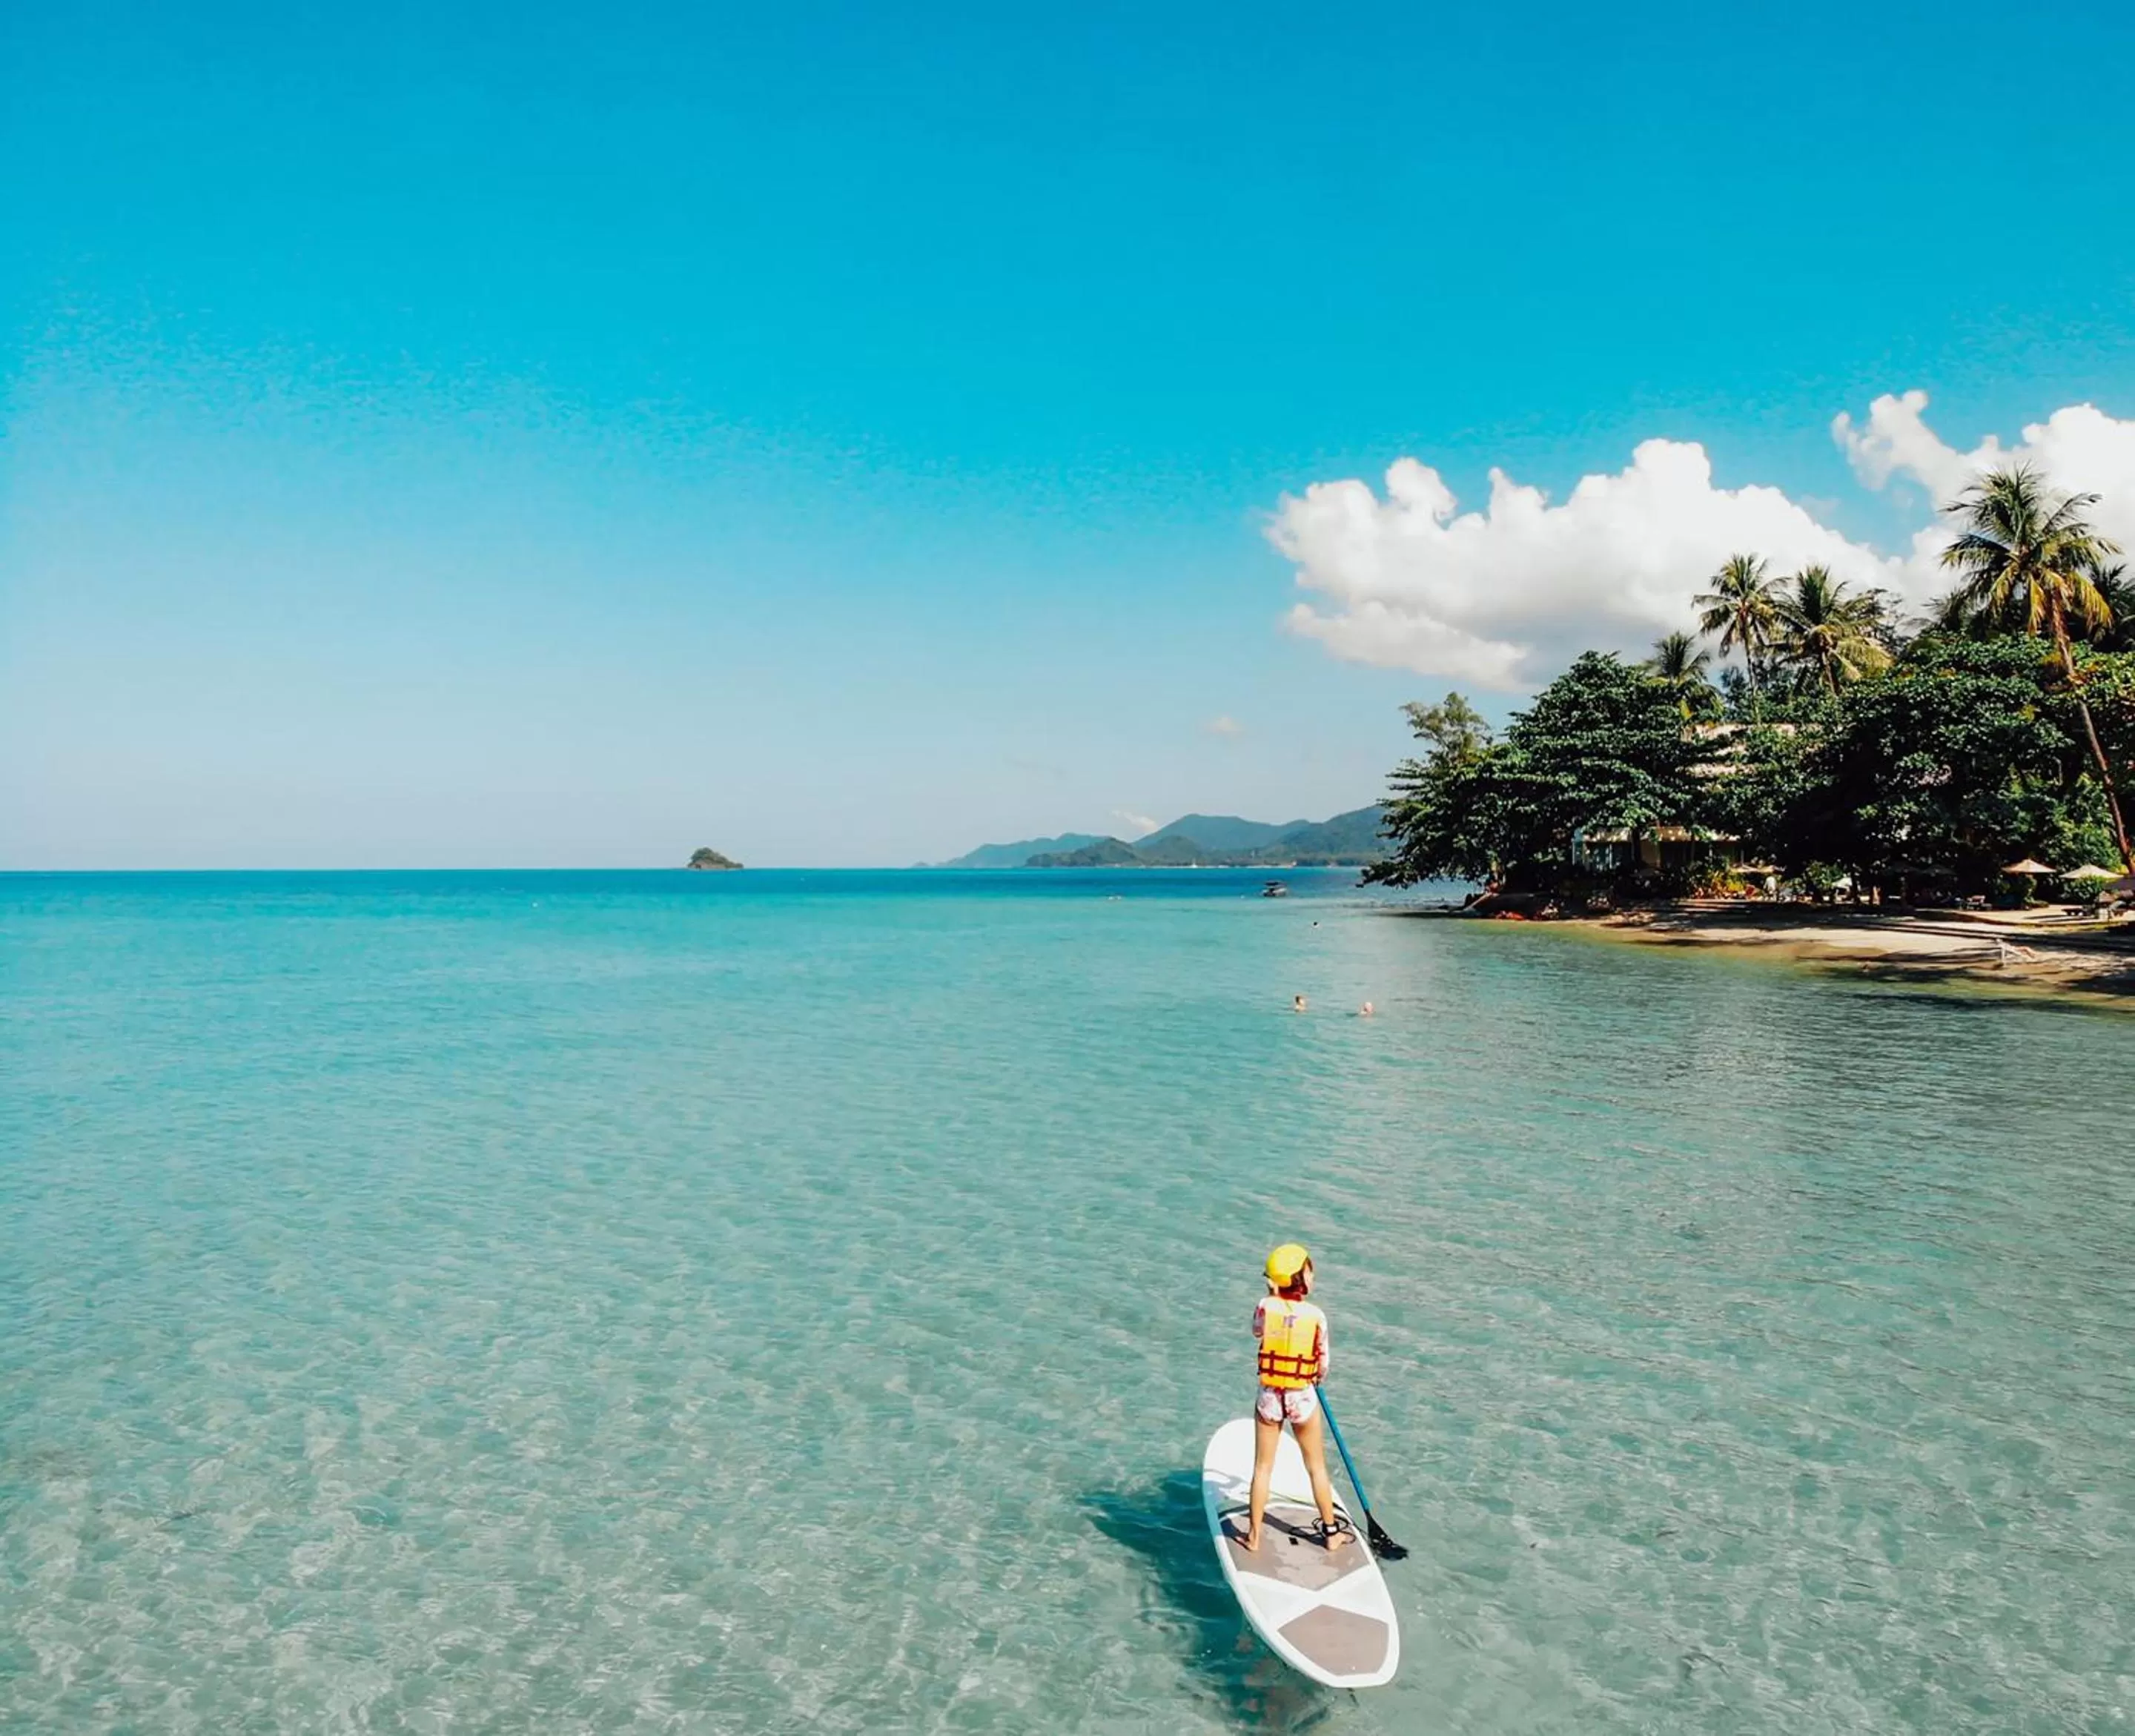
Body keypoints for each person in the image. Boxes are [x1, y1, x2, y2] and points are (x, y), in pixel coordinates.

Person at [1242, 1244, 1351, 1553]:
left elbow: (1256, 1331)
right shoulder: (1316, 1316)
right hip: (1301, 1397)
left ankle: (1253, 1537)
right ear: (1300, 1277)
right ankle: (1331, 1534)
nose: (1312, 1274)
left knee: (1263, 1467)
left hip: (1270, 1397)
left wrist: (1272, 1296)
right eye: (1308, 1270)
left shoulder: (1265, 1305)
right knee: (1316, 1466)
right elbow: (1323, 1365)